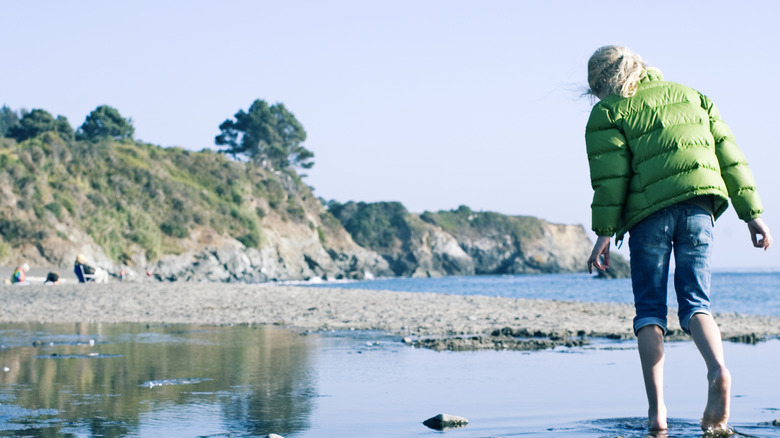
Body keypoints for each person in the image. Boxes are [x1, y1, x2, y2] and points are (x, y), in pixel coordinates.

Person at [583, 45, 772, 434]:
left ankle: (657, 414)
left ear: (602, 82)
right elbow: (730, 156)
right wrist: (753, 215)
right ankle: (718, 369)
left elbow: (611, 180)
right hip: (700, 209)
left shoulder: (609, 111)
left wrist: (603, 234)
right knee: (697, 303)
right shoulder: (693, 95)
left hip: (649, 217)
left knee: (650, 312)